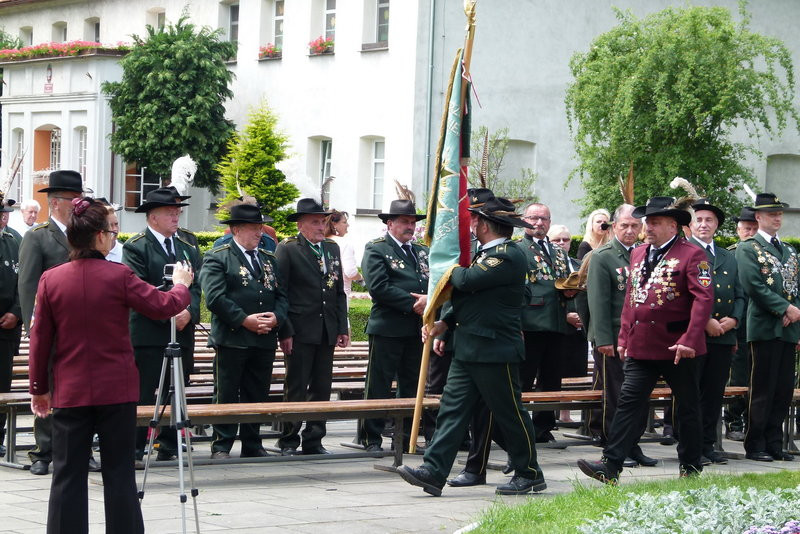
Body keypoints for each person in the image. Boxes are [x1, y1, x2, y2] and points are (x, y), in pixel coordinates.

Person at [29, 197, 193, 534]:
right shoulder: (119, 275)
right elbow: (163, 306)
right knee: (119, 473)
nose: (114, 237)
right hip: (115, 391)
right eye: (112, 232)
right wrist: (181, 285)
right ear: (100, 237)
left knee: (66, 474)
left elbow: (39, 340)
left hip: (71, 390)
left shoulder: (51, 280)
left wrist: (39, 389)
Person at [396, 197, 546, 496]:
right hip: (468, 347)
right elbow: (469, 299)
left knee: (509, 413)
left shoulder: (506, 255)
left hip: (494, 350)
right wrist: (445, 323)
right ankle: (433, 471)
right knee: (452, 410)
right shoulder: (482, 253)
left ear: (486, 225)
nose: (470, 226)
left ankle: (529, 472)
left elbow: (466, 281)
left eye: (474, 220)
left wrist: (444, 257)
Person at [578, 195, 713, 483]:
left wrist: (690, 339)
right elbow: (631, 300)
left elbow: (704, 300)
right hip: (642, 346)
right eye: (646, 222)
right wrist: (624, 337)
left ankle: (690, 466)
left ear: (673, 225)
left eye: (654, 222)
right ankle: (611, 465)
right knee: (628, 403)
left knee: (687, 407)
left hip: (679, 347)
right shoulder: (639, 253)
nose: (647, 227)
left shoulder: (692, 254)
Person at [18, 169, 96, 476]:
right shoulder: (38, 237)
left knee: (84, 391)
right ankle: (44, 450)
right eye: (72, 198)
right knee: (46, 387)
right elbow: (27, 288)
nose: (79, 203)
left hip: (85, 331)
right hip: (51, 330)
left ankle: (83, 448)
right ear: (55, 203)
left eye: (80, 197)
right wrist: (35, 330)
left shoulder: (87, 235)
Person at [200, 204, 288, 459]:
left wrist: (276, 318)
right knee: (227, 391)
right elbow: (215, 298)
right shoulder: (218, 256)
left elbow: (281, 295)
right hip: (233, 338)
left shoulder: (268, 259)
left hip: (263, 338)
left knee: (257, 392)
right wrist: (243, 320)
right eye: (253, 228)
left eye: (260, 227)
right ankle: (221, 445)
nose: (259, 233)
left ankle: (253, 443)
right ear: (236, 229)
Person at [123, 187, 202, 463]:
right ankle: (134, 445)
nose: (176, 215)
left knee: (176, 387)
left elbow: (197, 286)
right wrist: (170, 312)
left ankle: (170, 441)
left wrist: (189, 311)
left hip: (182, 331)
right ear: (153, 217)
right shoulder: (136, 246)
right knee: (144, 391)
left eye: (178, 211)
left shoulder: (187, 246)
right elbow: (139, 289)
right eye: (170, 212)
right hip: (149, 333)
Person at [583, 204, 655, 467]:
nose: (629, 230)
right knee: (616, 395)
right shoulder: (603, 256)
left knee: (637, 394)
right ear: (614, 227)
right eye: (624, 225)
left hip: (638, 338)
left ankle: (632, 444)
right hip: (611, 337)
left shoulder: (644, 254)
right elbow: (598, 301)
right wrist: (603, 340)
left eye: (635, 226)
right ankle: (613, 447)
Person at [276, 198, 348, 455]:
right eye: (315, 222)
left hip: (326, 329)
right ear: (301, 224)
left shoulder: (331, 248)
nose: (321, 226)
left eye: (323, 221)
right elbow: (280, 292)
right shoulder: (288, 248)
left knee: (322, 386)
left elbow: (339, 291)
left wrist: (342, 326)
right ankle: (288, 439)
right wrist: (284, 330)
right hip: (299, 330)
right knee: (295, 386)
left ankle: (314, 439)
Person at [357, 199, 429, 452]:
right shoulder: (377, 249)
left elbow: (430, 282)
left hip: (416, 329)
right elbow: (379, 287)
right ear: (390, 223)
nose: (410, 226)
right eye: (405, 222)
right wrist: (414, 304)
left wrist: (428, 301)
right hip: (388, 327)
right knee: (379, 383)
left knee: (412, 384)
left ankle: (407, 438)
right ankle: (370, 437)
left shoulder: (421, 251)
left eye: (413, 222)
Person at [735, 192, 799, 462]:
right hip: (763, 327)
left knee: (783, 388)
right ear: (758, 217)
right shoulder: (748, 248)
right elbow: (754, 286)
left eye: (779, 213)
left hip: (788, 327)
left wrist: (794, 310)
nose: (777, 217)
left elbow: (795, 286)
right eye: (771, 213)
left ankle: (774, 441)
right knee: (762, 388)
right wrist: (784, 308)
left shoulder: (789, 250)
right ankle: (756, 442)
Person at [688, 199, 744, 465]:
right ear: (690, 224)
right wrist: (706, 320)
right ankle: (692, 446)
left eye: (709, 220)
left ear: (717, 225)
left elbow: (740, 294)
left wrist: (733, 320)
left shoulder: (727, 257)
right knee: (693, 394)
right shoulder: (685, 252)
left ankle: (708, 444)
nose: (703, 224)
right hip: (696, 334)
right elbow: (683, 295)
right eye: (698, 219)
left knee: (713, 394)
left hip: (724, 336)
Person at [519, 202, 571, 442]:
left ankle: (543, 427)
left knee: (552, 380)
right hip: (530, 323)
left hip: (557, 322)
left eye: (544, 219)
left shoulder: (558, 252)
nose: (539, 223)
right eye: (534, 218)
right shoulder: (518, 249)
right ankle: (518, 427)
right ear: (524, 220)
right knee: (524, 378)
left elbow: (564, 282)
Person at [723, 206, 758, 441]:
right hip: (740, 324)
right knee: (737, 376)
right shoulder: (732, 254)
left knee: (759, 376)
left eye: (754, 228)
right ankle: (734, 420)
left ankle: (754, 421)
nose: (751, 233)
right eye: (747, 228)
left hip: (760, 325)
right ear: (738, 230)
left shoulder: (765, 256)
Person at [0, 194, 21, 458]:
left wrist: (17, 313)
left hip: (7, 327)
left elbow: (25, 280)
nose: (4, 216)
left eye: (5, 212)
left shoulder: (15, 240)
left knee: (2, 383)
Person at [324, 210, 363, 302]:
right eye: (344, 222)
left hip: (321, 294)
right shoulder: (344, 243)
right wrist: (361, 278)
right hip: (340, 295)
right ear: (334, 224)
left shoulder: (320, 241)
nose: (347, 225)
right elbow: (350, 272)